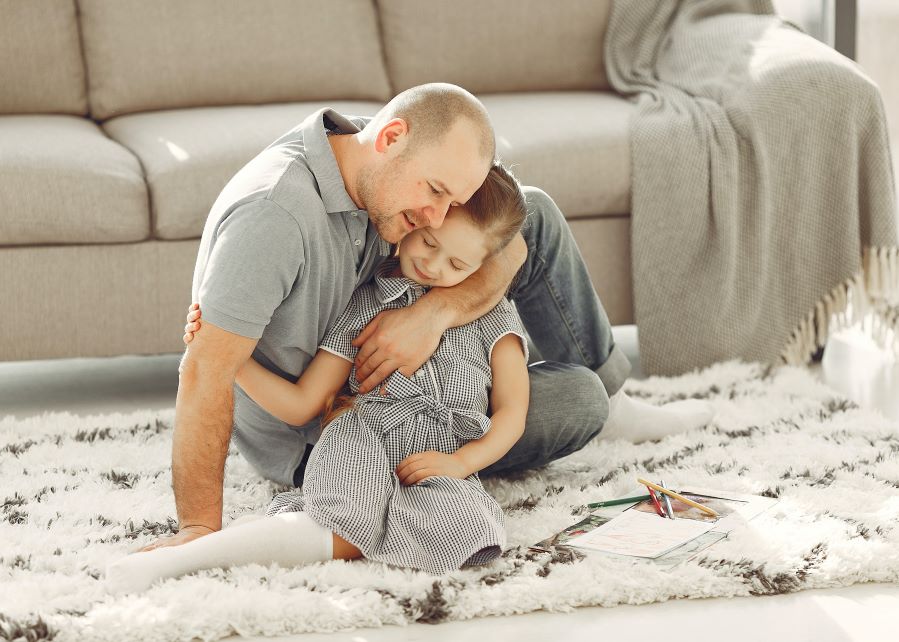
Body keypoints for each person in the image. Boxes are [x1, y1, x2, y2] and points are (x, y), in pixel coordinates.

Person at [143, 83, 714, 555]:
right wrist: (198, 529)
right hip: (332, 430)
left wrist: (434, 313)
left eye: (447, 198)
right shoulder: (274, 218)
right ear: (390, 139)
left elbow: (507, 233)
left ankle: (617, 400)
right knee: (576, 400)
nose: (436, 215)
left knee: (529, 210)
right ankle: (600, 404)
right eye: (435, 192)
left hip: (422, 382)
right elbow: (205, 371)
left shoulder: (379, 157)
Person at [106, 165, 530, 592]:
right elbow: (302, 404)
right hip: (362, 438)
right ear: (422, 217)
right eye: (428, 242)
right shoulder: (365, 304)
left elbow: (512, 411)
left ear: (485, 265)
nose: (432, 265)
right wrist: (233, 359)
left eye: (457, 263)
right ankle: (182, 560)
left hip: (439, 458)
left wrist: (463, 462)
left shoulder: (493, 315)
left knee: (466, 529)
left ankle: (300, 537)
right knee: (346, 521)